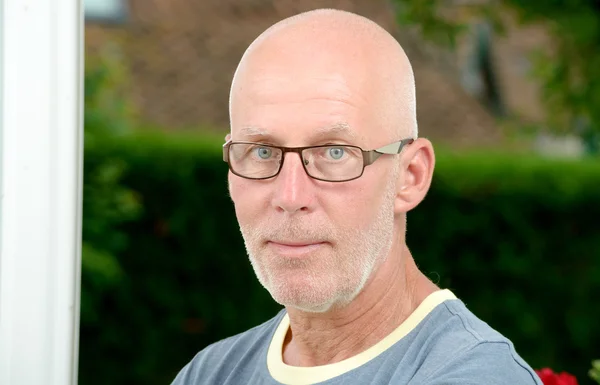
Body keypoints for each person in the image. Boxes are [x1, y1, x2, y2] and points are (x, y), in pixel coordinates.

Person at [172, 8, 542, 385]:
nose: (290, 195)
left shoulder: (474, 376)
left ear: (410, 176)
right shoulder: (210, 373)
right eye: (262, 152)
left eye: (335, 152)